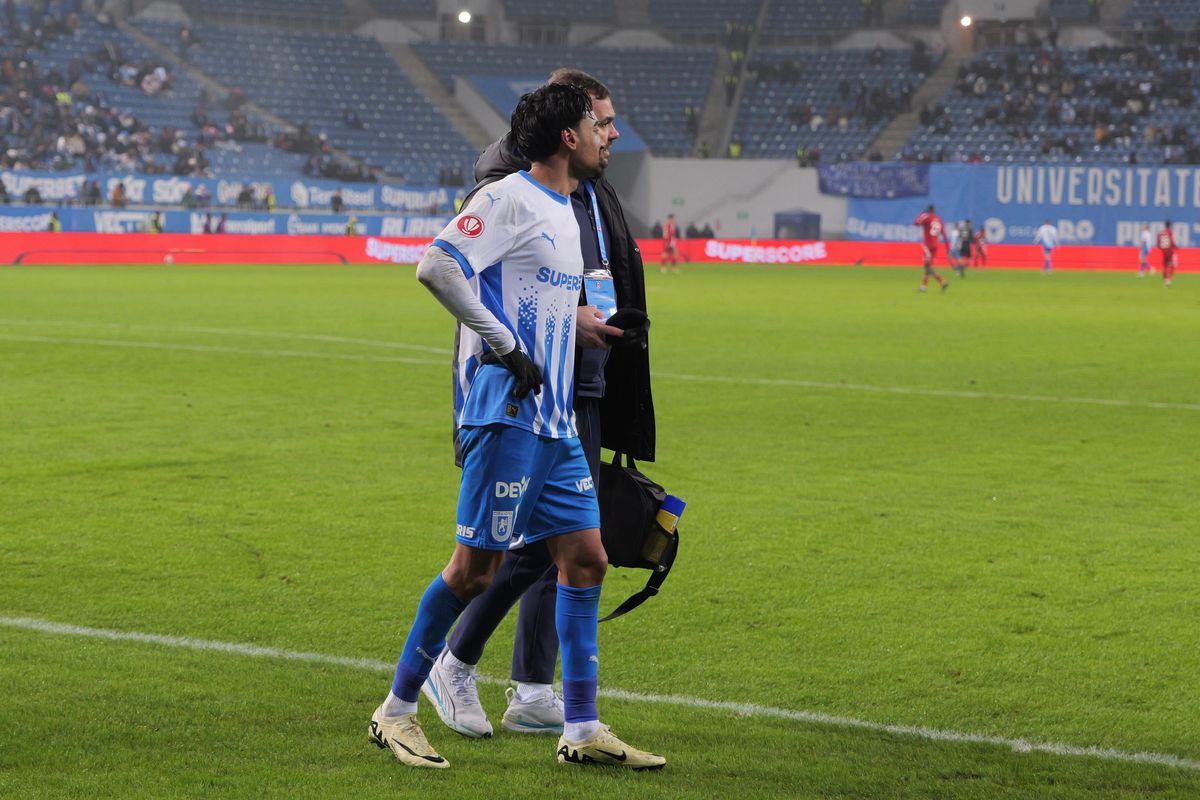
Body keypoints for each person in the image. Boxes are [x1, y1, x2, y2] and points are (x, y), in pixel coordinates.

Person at [369, 82, 664, 771]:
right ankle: (396, 712)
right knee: (475, 571)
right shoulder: (508, 198)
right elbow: (436, 265)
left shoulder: (566, 206)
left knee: (587, 559)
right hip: (508, 417)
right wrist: (505, 344)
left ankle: (583, 729)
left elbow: (540, 295)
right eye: (599, 125)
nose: (607, 136)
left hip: (556, 423)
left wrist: (580, 327)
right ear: (569, 135)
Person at [913, 204, 950, 292]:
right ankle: (924, 286)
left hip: (928, 245)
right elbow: (944, 235)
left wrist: (921, 213)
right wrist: (948, 248)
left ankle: (942, 281)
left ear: (928, 210)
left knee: (928, 266)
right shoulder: (939, 219)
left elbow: (916, 223)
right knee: (928, 265)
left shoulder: (926, 217)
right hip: (936, 245)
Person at [1157, 220, 1177, 287]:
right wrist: (1175, 247)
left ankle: (1165, 281)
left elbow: (1158, 243)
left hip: (1164, 251)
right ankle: (1168, 280)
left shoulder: (1161, 232)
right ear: (1170, 225)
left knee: (1165, 266)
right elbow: (1171, 241)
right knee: (1172, 265)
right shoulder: (1170, 231)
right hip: (1170, 250)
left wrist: (1161, 248)